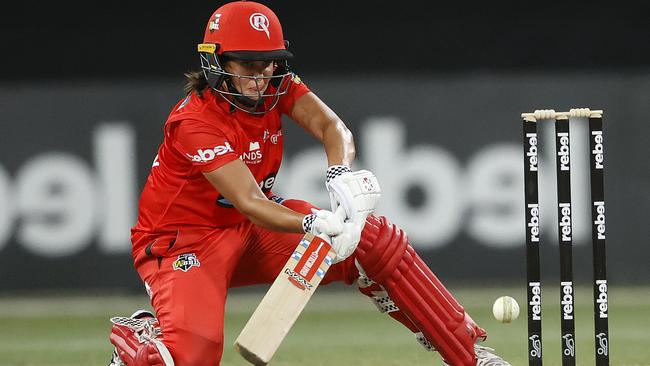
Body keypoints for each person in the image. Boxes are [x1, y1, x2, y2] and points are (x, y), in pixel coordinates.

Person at [108, 2, 511, 365]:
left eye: (269, 63)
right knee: (192, 357)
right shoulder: (193, 123)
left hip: (251, 231)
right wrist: (310, 223)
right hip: (183, 242)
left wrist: (340, 172)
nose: (262, 76)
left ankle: (470, 356)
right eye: (249, 64)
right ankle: (140, 337)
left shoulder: (272, 86)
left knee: (370, 239)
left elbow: (331, 126)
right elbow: (248, 199)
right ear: (217, 63)